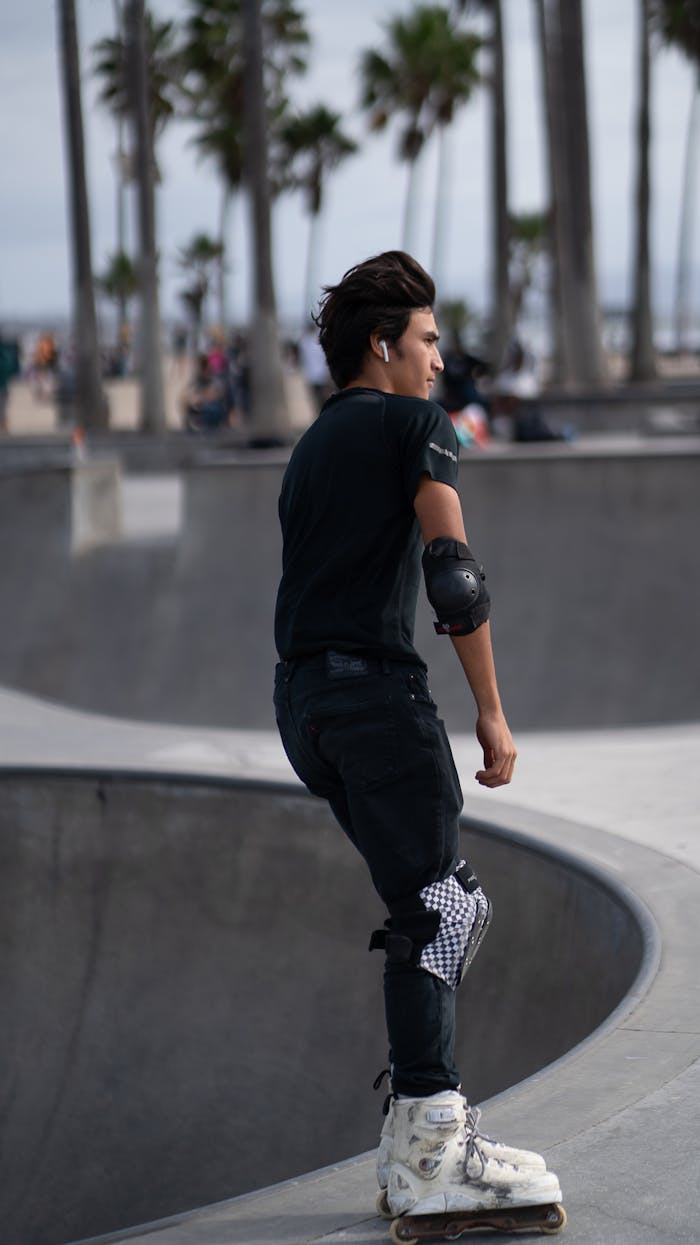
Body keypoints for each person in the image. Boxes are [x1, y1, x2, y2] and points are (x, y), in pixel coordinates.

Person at [273, 252, 563, 1227]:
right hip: (374, 699)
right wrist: (489, 709)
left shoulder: (312, 444)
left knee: (427, 905)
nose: (439, 361)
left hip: (304, 705)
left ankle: (413, 1137)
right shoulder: (412, 424)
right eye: (429, 341)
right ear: (383, 345)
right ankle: (434, 1146)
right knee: (444, 911)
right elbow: (454, 575)